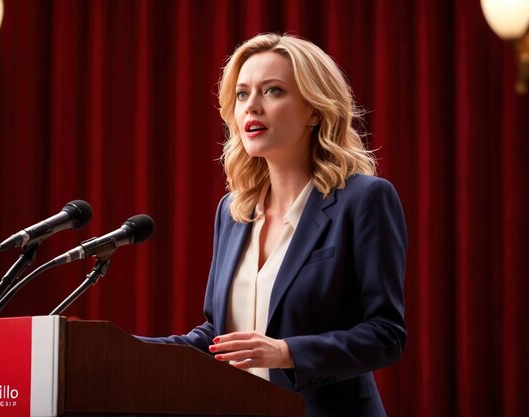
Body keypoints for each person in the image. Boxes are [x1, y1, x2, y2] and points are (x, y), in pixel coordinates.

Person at [139, 33, 407, 417]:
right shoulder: (233, 211)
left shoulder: (364, 199)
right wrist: (124, 349)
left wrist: (286, 352)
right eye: (243, 94)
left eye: (273, 91)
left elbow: (386, 335)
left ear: (315, 110)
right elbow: (218, 335)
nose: (253, 107)